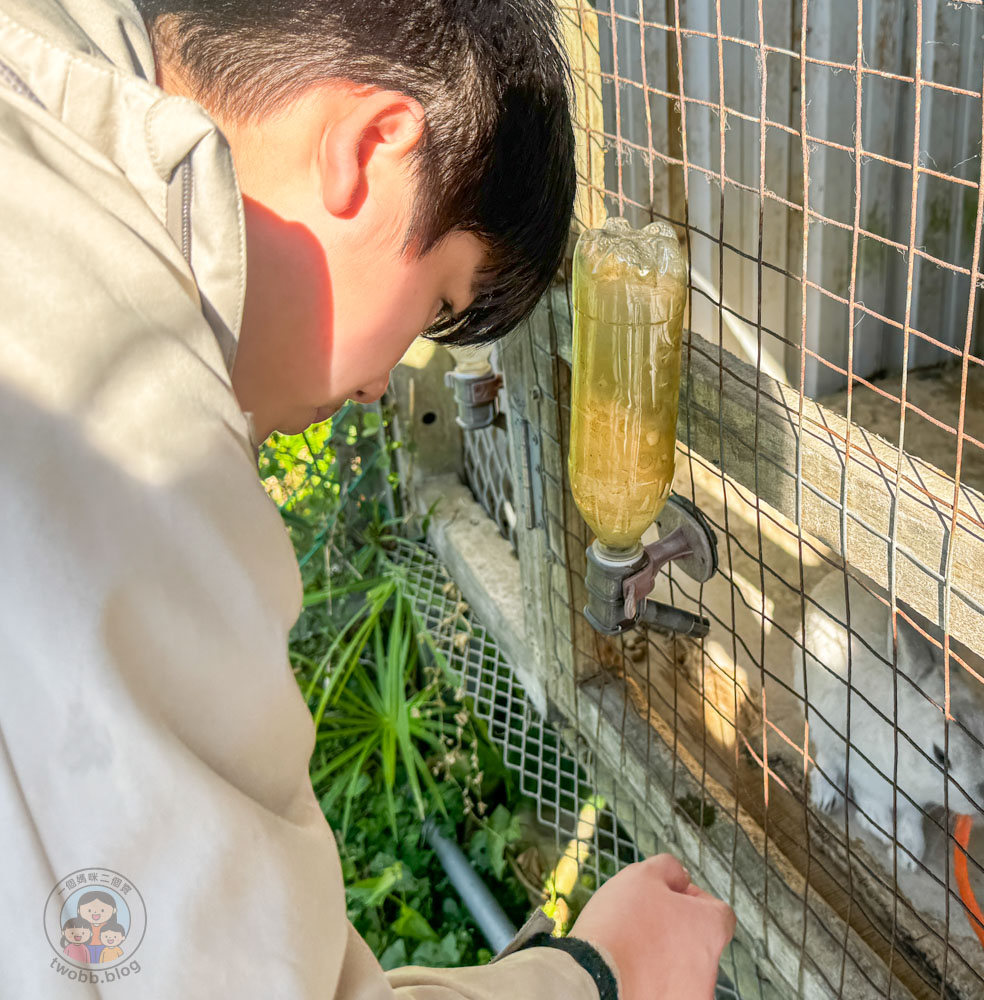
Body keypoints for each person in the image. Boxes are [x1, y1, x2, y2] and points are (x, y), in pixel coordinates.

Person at [0, 1, 735, 998]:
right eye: (438, 302)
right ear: (373, 148)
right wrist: (603, 974)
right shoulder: (125, 412)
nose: (386, 381)